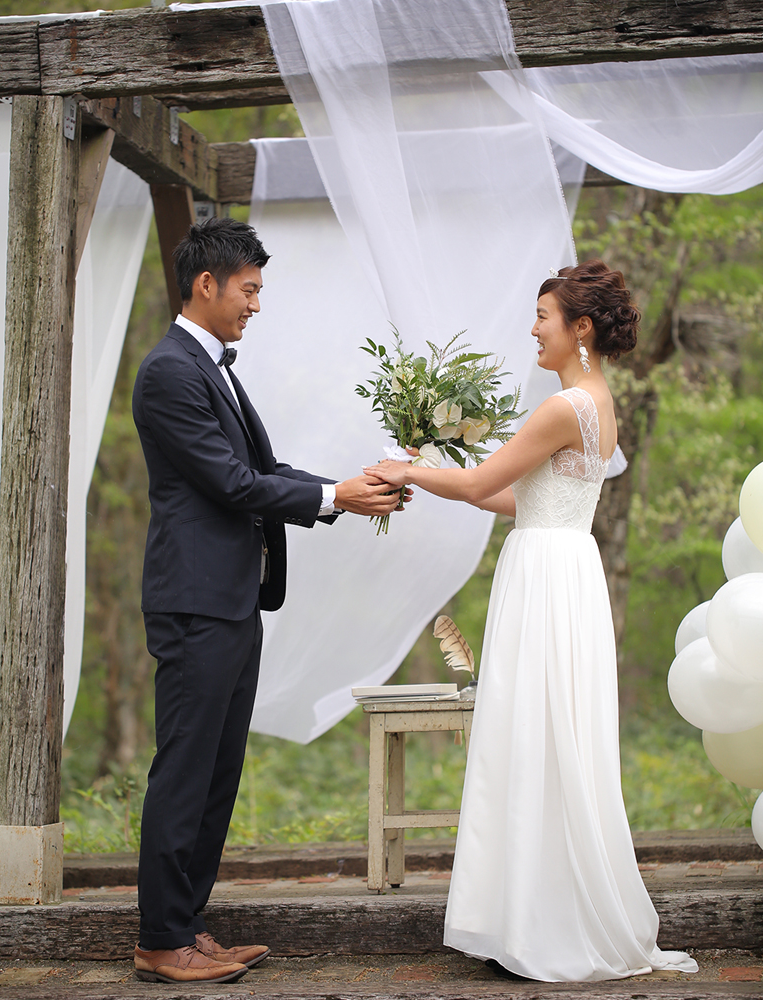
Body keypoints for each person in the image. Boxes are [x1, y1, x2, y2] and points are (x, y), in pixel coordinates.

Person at [364, 260, 698, 982]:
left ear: (580, 328)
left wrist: (408, 470)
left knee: (533, 733)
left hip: (546, 578)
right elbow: (520, 498)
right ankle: (540, 910)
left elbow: (483, 481)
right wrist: (432, 468)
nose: (533, 329)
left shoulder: (562, 407)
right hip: (564, 568)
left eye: (544, 317)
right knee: (552, 736)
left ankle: (541, 919)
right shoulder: (596, 403)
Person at [131, 217, 406, 985]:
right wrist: (334, 498)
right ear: (206, 284)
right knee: (186, 770)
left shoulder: (213, 368)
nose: (256, 304)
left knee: (219, 771)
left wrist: (349, 488)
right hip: (195, 603)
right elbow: (230, 485)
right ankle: (160, 939)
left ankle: (187, 925)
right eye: (249, 290)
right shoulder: (169, 372)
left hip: (233, 600)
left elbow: (262, 466)